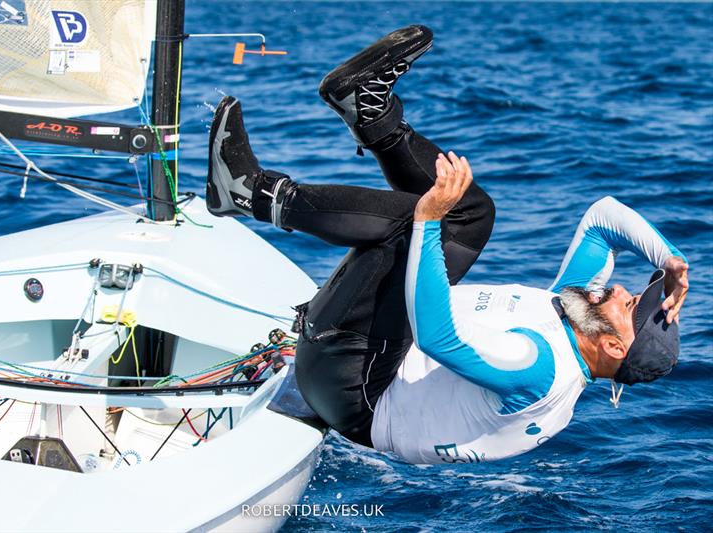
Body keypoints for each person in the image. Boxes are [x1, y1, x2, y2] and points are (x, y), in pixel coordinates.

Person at [205, 26, 690, 464]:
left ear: (611, 344)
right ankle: (367, 110)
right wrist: (669, 259)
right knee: (473, 216)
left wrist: (427, 221)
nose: (622, 289)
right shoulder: (575, 316)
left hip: (355, 388)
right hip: (377, 352)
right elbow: (603, 219)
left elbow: (439, 338)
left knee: (416, 226)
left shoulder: (540, 369)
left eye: (632, 305)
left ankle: (250, 191)